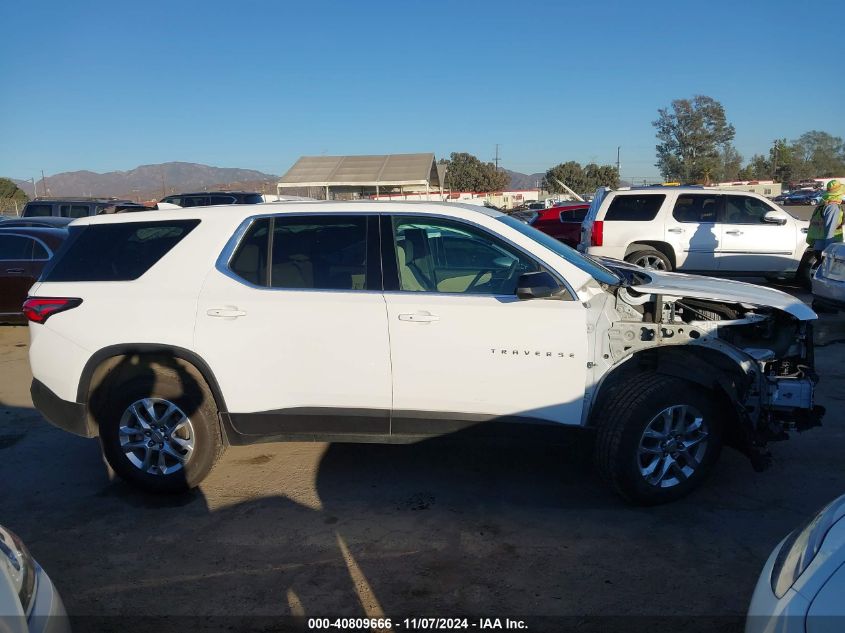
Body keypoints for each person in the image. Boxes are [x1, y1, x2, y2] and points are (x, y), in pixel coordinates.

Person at [806, 179, 844, 256]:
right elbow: (830, 231)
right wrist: (828, 253)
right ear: (838, 194)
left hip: (819, 245)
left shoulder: (823, 204)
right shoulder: (833, 207)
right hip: (828, 247)